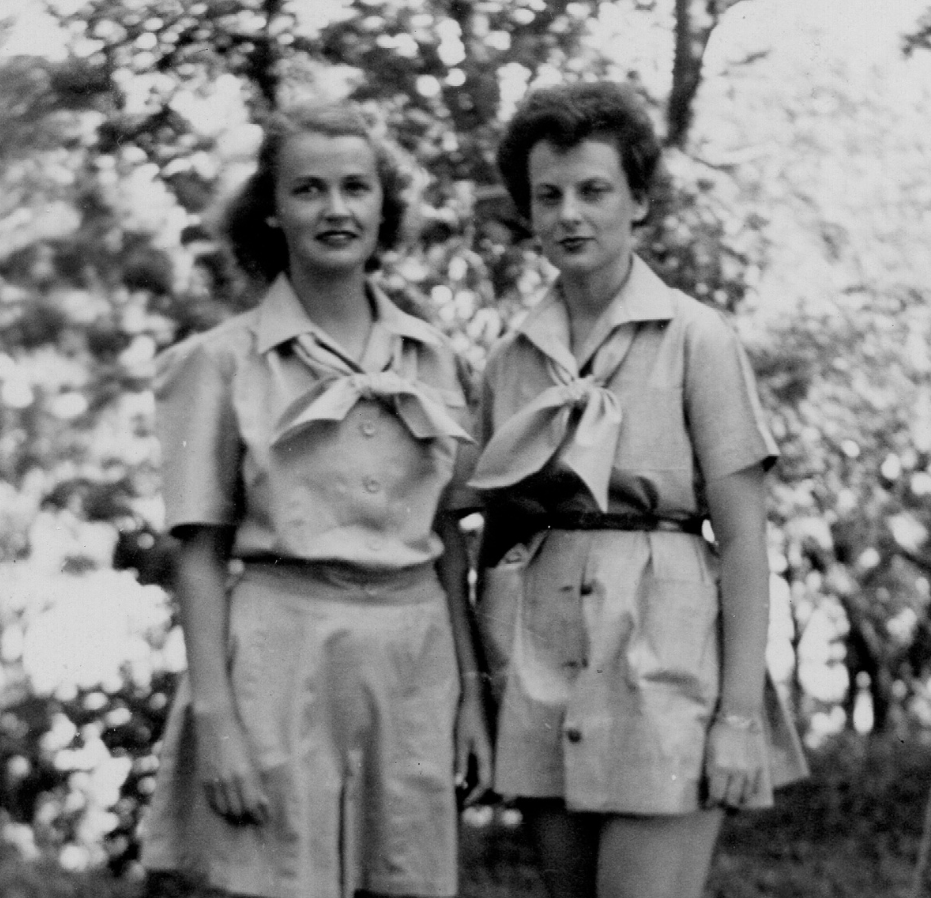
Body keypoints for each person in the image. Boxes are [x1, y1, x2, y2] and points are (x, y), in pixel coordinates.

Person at [140, 102, 491, 898]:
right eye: (309, 190)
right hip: (279, 660)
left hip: (412, 663)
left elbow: (448, 541)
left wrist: (472, 697)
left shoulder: (433, 360)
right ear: (272, 209)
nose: (336, 209)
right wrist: (217, 721)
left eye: (356, 188)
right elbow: (198, 553)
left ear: (384, 205)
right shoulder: (219, 364)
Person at [468, 82, 808, 898]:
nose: (569, 215)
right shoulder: (512, 358)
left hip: (669, 659)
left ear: (638, 201)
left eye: (594, 191)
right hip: (546, 661)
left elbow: (746, 544)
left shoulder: (698, 338)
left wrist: (735, 718)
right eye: (547, 196)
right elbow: (496, 537)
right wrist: (492, 688)